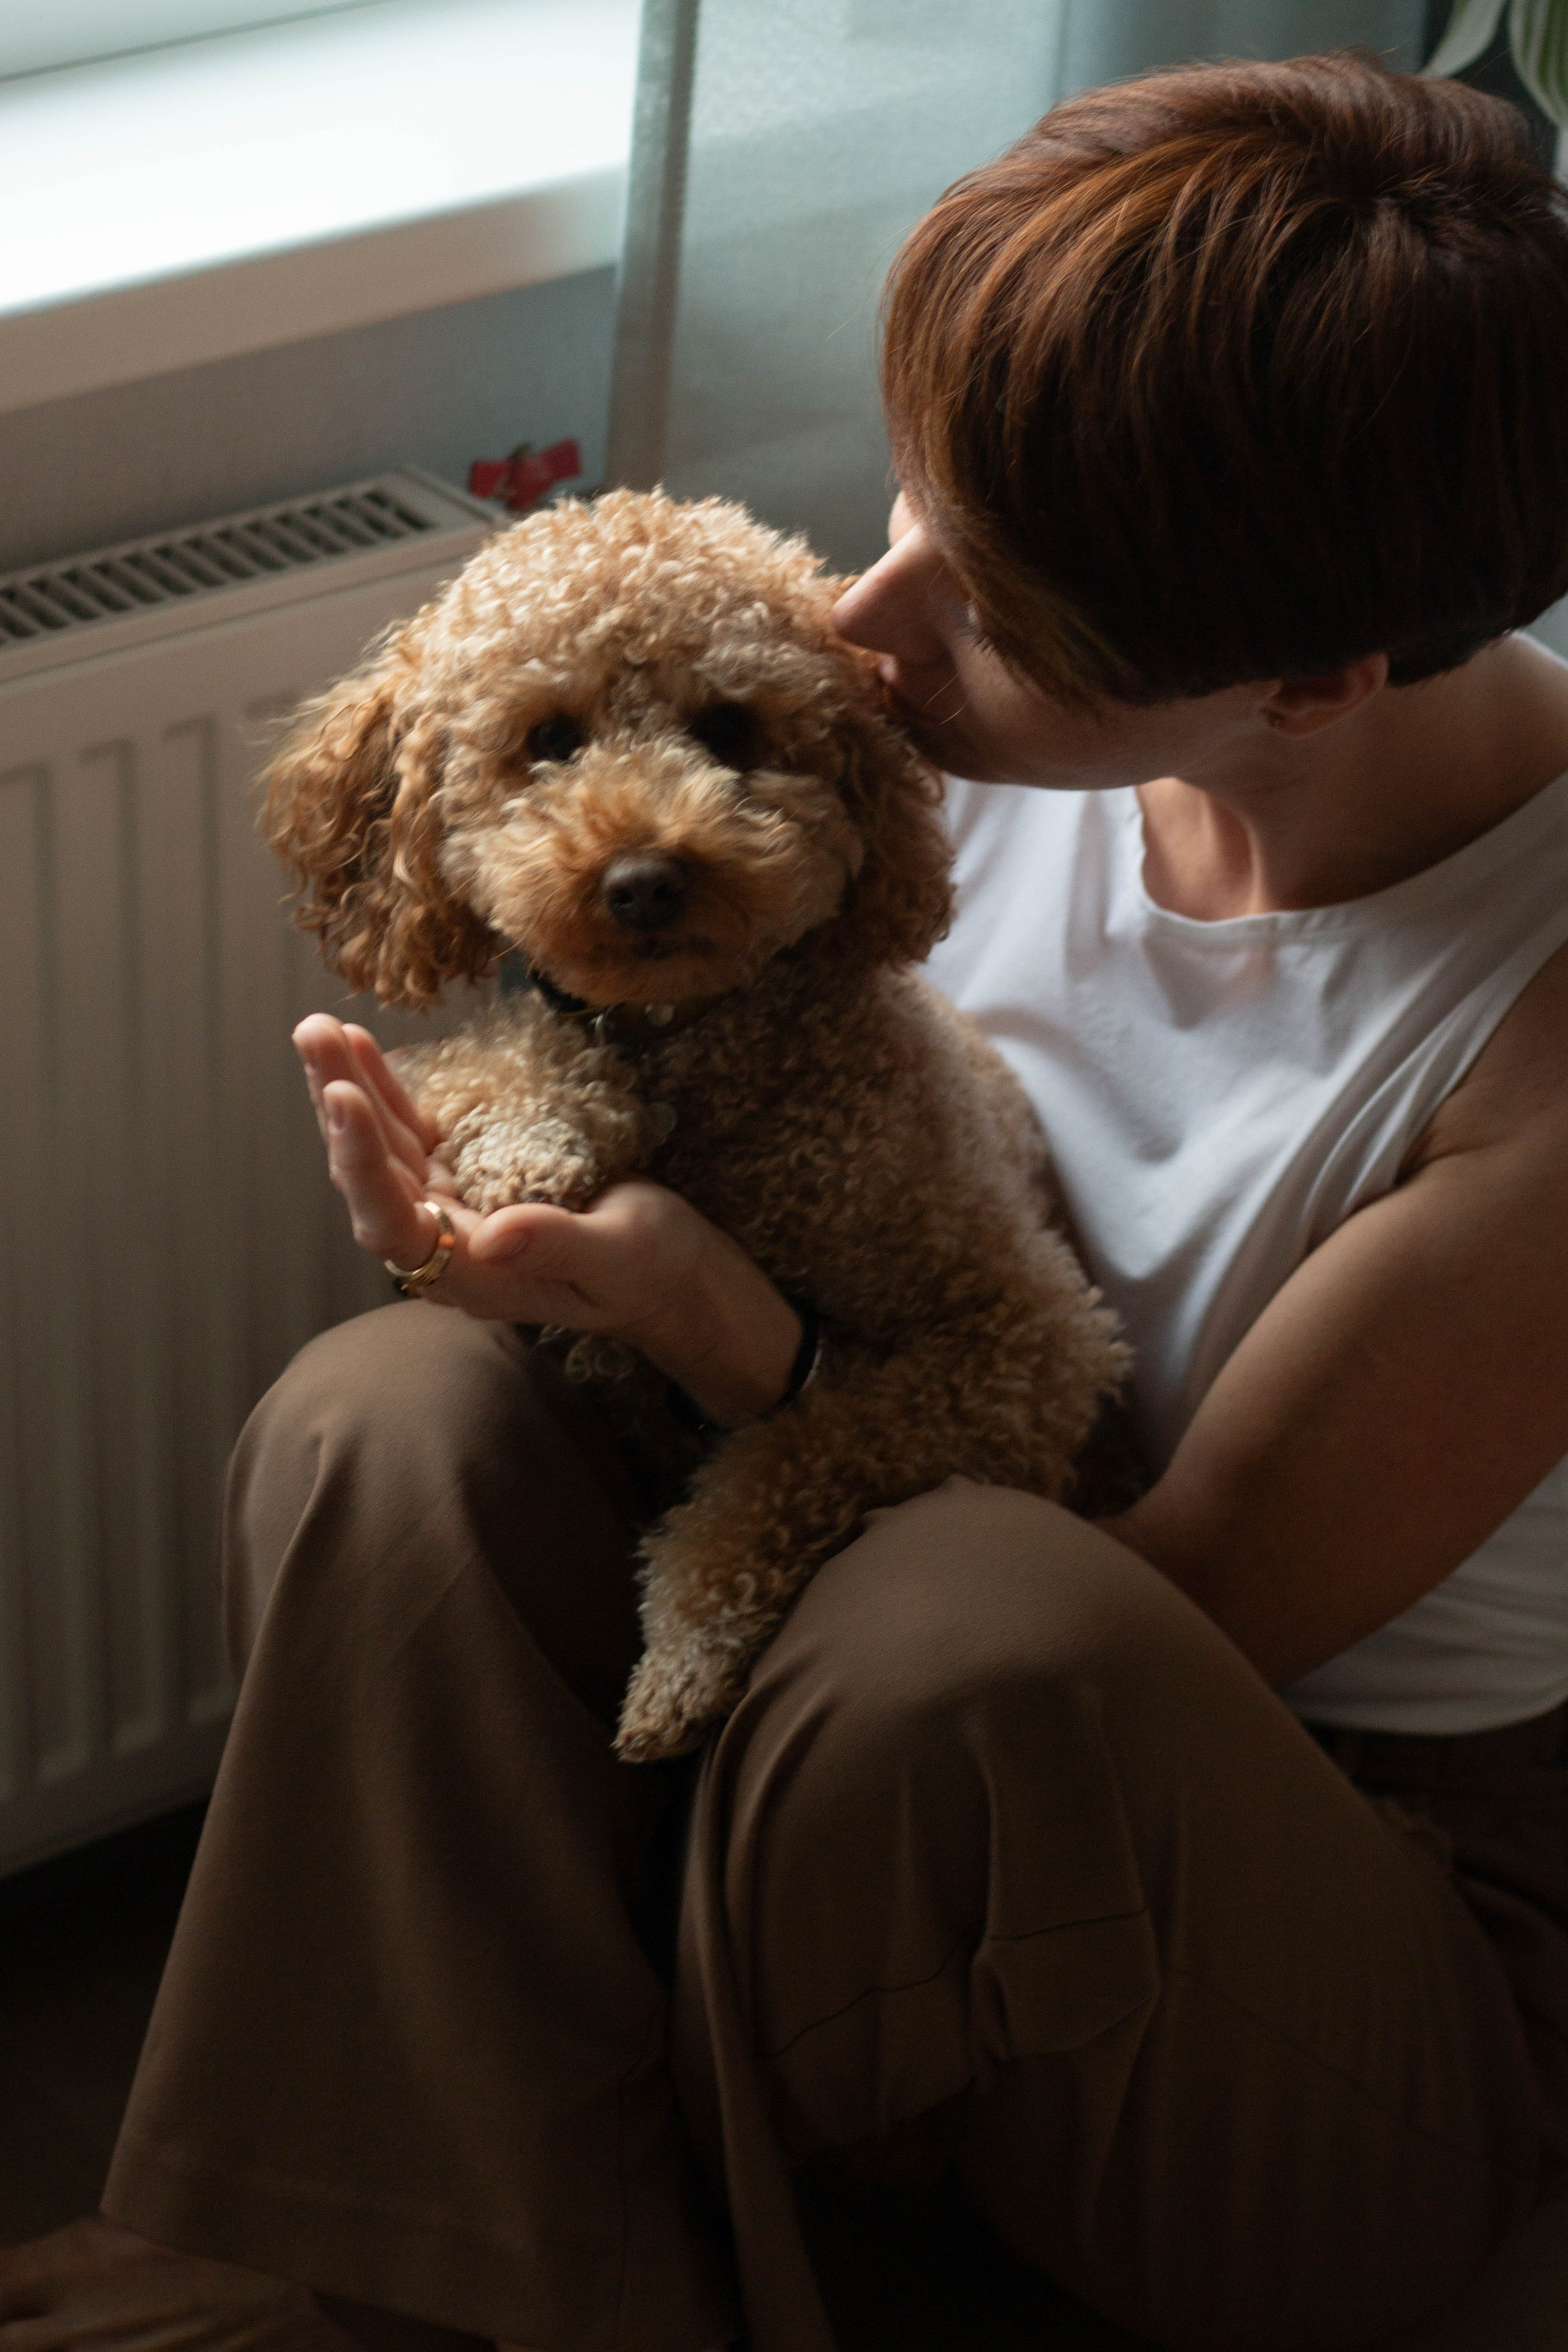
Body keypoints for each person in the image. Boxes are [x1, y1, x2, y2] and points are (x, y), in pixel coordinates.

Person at [22, 47, 1568, 2352]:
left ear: (1316, 679)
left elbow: (1151, 1613)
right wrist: (523, 1246)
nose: (869, 616)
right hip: (905, 1682)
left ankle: (517, 2251)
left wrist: (722, 1334)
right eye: (909, 499)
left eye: (992, 599)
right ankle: (385, 2230)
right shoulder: (974, 746)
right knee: (395, 1419)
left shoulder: (1536, 1052)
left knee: (961, 1636)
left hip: (1316, 1876)